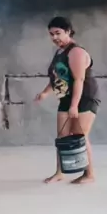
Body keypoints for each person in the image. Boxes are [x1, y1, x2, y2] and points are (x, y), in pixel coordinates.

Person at [34, 16, 100, 184]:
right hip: (66, 98)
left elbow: (79, 79)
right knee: (62, 137)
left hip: (84, 98)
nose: (54, 37)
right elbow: (59, 78)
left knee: (80, 136)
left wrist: (74, 106)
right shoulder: (59, 52)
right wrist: (44, 93)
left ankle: (89, 174)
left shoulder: (76, 52)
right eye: (51, 34)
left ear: (68, 31)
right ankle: (59, 172)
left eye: (58, 33)